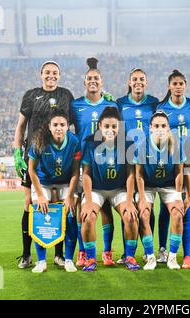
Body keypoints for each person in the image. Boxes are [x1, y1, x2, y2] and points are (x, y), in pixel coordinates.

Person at [13, 60, 74, 269]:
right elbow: (21, 126)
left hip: (56, 157)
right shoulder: (31, 95)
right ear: (41, 74)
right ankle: (26, 254)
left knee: (56, 201)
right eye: (47, 72)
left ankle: (58, 254)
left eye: (55, 72)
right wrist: (16, 151)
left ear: (59, 75)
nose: (51, 75)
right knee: (29, 202)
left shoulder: (66, 95)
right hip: (33, 155)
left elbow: (75, 121)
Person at [70, 57, 119, 267]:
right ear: (84, 82)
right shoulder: (75, 105)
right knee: (84, 209)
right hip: (84, 164)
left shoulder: (111, 104)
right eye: (89, 78)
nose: (93, 81)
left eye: (96, 78)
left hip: (105, 162)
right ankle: (82, 252)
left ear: (101, 81)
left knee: (107, 208)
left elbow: (118, 131)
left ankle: (107, 252)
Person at [80, 107, 139, 272]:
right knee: (88, 217)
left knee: (131, 216)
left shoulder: (128, 144)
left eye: (114, 126)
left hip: (118, 189)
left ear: (119, 126)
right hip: (96, 189)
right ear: (100, 125)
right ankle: (91, 259)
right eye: (107, 126)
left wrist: (129, 200)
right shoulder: (90, 144)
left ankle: (130, 256)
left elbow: (130, 174)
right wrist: (89, 201)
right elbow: (86, 174)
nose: (110, 130)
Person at [135, 110, 190, 270]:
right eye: (156, 125)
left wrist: (179, 195)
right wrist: (143, 198)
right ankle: (150, 257)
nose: (160, 129)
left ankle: (172, 257)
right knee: (144, 213)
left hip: (169, 185)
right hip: (149, 185)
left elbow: (179, 171)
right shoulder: (142, 145)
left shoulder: (176, 144)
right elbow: (139, 175)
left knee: (177, 213)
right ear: (150, 128)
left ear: (168, 128)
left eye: (163, 126)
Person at [28, 108, 81, 273]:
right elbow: (32, 170)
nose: (59, 127)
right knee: (41, 213)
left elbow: (74, 172)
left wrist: (70, 195)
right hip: (43, 182)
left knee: (71, 215)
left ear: (67, 127)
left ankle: (69, 260)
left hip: (66, 182)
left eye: (62, 124)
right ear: (49, 127)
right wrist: (41, 196)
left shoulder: (74, 142)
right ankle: (41, 261)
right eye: (55, 124)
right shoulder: (39, 140)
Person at [155, 69, 190, 263]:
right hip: (170, 161)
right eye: (174, 84)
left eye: (181, 83)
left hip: (189, 160)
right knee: (167, 207)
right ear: (169, 86)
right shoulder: (162, 107)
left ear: (185, 85)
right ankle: (163, 249)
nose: (178, 87)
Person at [116, 68, 158, 264]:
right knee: (128, 205)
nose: (138, 82)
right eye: (135, 79)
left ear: (146, 82)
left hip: (149, 160)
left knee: (148, 207)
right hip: (127, 161)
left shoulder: (154, 103)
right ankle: (127, 252)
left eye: (142, 78)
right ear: (129, 82)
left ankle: (151, 249)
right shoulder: (120, 103)